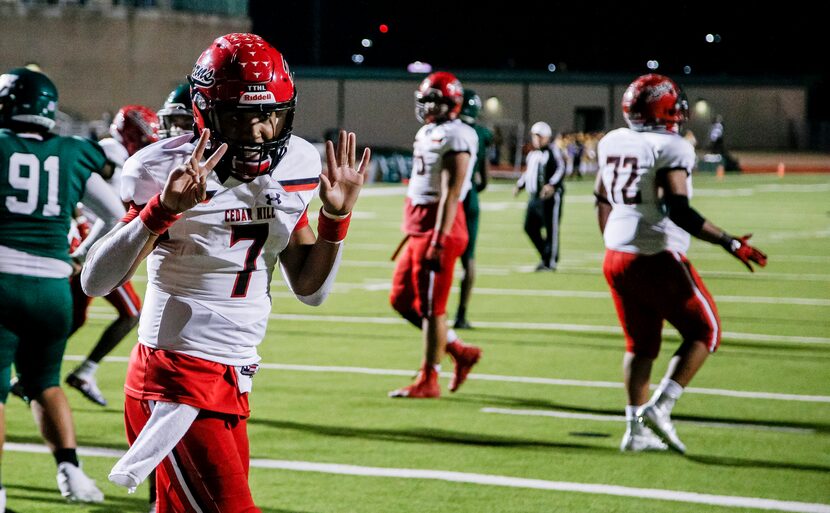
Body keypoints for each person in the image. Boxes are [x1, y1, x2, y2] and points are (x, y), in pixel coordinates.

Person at [80, 33, 370, 512]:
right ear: (205, 112)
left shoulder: (298, 161)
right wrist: (162, 210)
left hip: (235, 371)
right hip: (175, 374)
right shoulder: (161, 169)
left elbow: (310, 290)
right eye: (241, 115)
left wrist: (335, 220)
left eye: (270, 115)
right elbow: (96, 280)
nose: (258, 132)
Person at [594, 73, 768, 453]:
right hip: (655, 255)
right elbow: (679, 210)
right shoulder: (671, 146)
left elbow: (601, 198)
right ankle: (661, 407)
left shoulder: (612, 141)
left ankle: (634, 431)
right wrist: (729, 241)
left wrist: (615, 240)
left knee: (640, 346)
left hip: (616, 256)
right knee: (706, 331)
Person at [0, 67, 126, 508]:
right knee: (45, 381)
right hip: (53, 288)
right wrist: (78, 255)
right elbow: (115, 216)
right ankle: (72, 473)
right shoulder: (73, 151)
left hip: (1, 279)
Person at [388, 71, 482, 399]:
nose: (428, 105)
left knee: (432, 308)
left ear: (452, 103)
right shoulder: (429, 130)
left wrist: (438, 239)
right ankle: (458, 349)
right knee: (401, 299)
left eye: (434, 99)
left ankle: (429, 378)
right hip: (419, 227)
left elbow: (451, 192)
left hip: (438, 228)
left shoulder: (458, 135)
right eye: (425, 98)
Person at [64, 104, 160, 407]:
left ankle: (33, 371)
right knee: (131, 311)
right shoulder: (108, 151)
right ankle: (83, 371)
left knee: (74, 319)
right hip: (91, 246)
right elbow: (77, 181)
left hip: (95, 245)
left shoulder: (118, 155)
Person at [453, 88, 493, 329]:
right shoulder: (480, 133)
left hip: (451, 199)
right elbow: (484, 179)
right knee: (469, 260)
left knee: (441, 258)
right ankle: (461, 315)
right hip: (471, 201)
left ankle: (432, 310)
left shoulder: (450, 131)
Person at [514, 121, 565, 271]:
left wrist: (552, 185)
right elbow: (528, 173)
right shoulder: (532, 154)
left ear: (547, 137)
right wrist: (520, 185)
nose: (536, 139)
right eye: (535, 136)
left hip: (549, 197)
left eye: (539, 136)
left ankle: (550, 261)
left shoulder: (553, 150)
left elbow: (561, 168)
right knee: (529, 227)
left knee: (551, 229)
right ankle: (546, 254)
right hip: (534, 197)